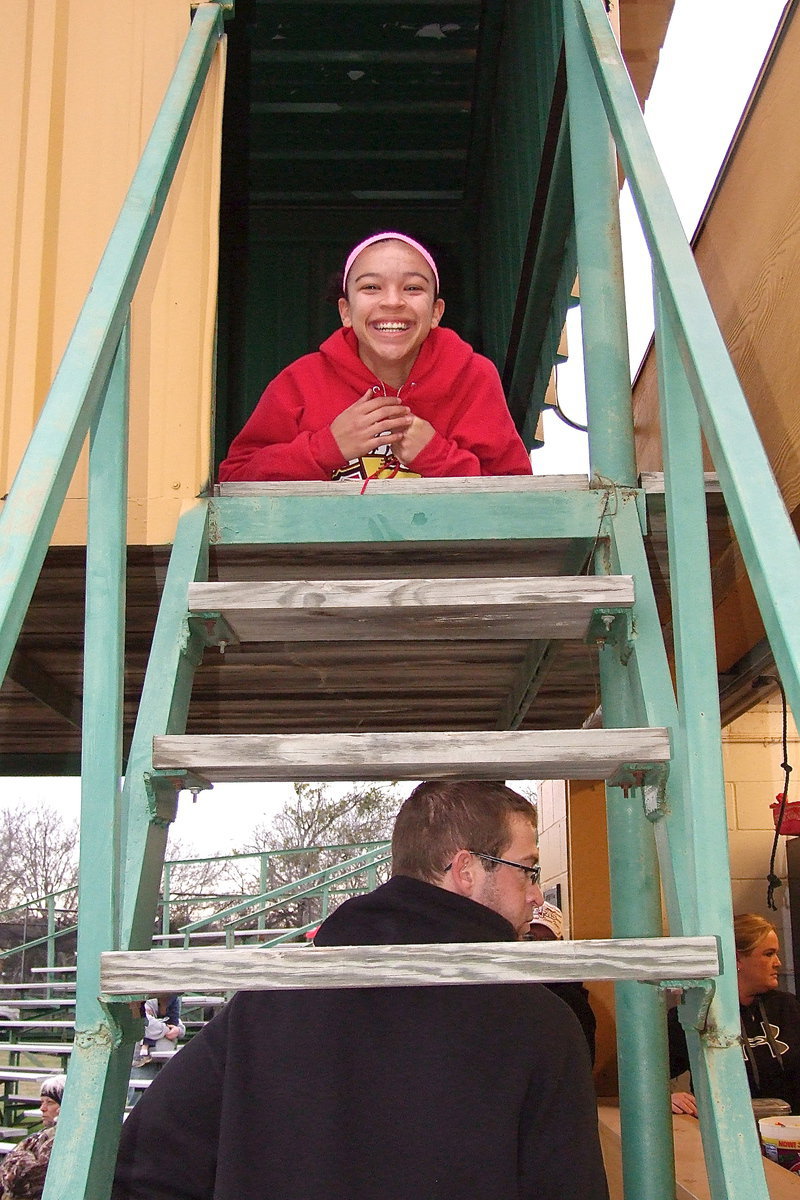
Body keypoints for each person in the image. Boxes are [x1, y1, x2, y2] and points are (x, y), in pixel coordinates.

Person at [113, 781, 608, 1200]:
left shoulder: (265, 1006)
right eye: (528, 869)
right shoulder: (540, 1026)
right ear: (467, 870)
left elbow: (143, 1169)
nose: (536, 894)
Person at [218, 232, 533, 482]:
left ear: (436, 312)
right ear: (345, 311)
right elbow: (234, 478)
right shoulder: (301, 381)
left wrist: (436, 456)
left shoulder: (472, 376)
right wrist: (326, 448)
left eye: (413, 288)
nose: (393, 301)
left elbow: (517, 496)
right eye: (371, 287)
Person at [668, 913, 800, 1116]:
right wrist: (667, 1098)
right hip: (728, 1129)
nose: (778, 963)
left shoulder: (788, 1007)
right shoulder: (696, 1014)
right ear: (737, 959)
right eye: (769, 954)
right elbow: (642, 1077)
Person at [526, 901, 597, 1064]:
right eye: (529, 938)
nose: (537, 948)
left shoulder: (572, 1002)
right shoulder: (506, 991)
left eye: (546, 941)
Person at [0, 1075, 66, 1200]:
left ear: (64, 1107)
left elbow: (22, 1180)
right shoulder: (40, 1136)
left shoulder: (60, 1140)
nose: (42, 1108)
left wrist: (16, 1159)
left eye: (50, 1102)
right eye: (42, 1102)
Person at [136, 994, 185, 1064]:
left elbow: (175, 1022)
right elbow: (144, 1021)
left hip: (162, 1051)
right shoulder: (145, 999)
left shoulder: (173, 999)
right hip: (138, 1049)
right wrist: (167, 1029)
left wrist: (178, 1030)